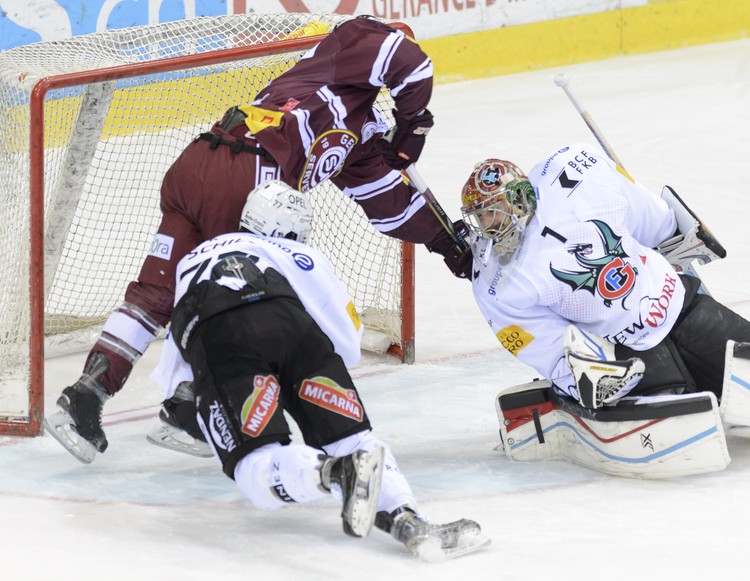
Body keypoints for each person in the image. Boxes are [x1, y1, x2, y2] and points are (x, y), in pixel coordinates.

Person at [45, 16, 471, 463]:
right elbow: (411, 64)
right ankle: (189, 408)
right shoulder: (348, 47)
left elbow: (391, 205)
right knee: (238, 302)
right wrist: (413, 126)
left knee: (156, 294)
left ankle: (85, 397)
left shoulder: (357, 133)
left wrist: (448, 244)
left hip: (199, 164)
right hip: (245, 175)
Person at [148, 181, 487, 559]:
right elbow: (345, 334)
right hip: (293, 329)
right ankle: (409, 521)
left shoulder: (191, 262)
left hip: (220, 335)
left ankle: (331, 473)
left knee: (254, 467)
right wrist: (310, 374)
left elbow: (181, 349)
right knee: (355, 440)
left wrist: (182, 398)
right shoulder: (291, 251)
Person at [459, 147, 750, 444]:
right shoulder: (496, 282)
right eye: (480, 217)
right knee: (678, 404)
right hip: (627, 347)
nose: (487, 226)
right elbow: (538, 342)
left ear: (521, 198)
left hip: (680, 302)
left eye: (493, 212)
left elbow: (645, 212)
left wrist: (668, 233)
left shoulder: (576, 175)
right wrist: (579, 379)